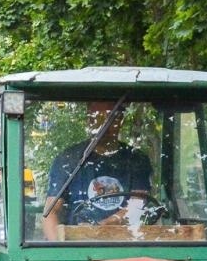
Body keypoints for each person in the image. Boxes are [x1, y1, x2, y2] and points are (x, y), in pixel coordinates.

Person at [41, 102, 153, 239]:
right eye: (97, 119)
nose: (104, 126)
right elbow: (50, 212)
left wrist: (102, 227)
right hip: (77, 249)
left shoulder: (136, 159)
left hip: (128, 244)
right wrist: (59, 253)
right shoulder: (68, 160)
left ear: (121, 121)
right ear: (88, 122)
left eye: (111, 119)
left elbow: (138, 204)